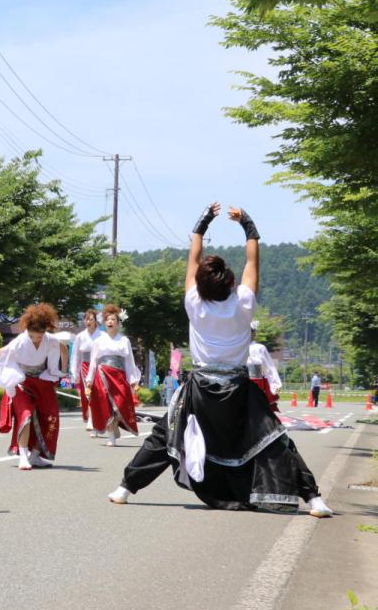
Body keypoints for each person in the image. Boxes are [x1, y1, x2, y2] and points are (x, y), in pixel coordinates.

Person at [107, 203, 332, 517]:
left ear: (200, 284)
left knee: (164, 434)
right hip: (238, 388)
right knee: (274, 438)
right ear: (230, 283)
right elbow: (252, 262)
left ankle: (125, 488)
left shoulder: (194, 303)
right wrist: (248, 225)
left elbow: (193, 258)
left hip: (200, 389)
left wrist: (203, 223)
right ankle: (313, 498)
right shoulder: (243, 303)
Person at [0, 304, 70, 471]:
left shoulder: (51, 340)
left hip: (42, 381)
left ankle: (35, 454)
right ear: (26, 330)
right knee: (25, 415)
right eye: (32, 336)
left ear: (45, 331)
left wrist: (63, 372)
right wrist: (3, 379)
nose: (35, 339)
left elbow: (64, 350)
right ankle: (23, 455)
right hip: (22, 382)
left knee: (50, 417)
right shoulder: (19, 342)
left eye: (39, 336)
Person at [84, 303, 139, 447]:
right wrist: (89, 381)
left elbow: (129, 362)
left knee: (119, 405)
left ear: (118, 323)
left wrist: (133, 381)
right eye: (107, 319)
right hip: (102, 375)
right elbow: (93, 362)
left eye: (113, 319)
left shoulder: (124, 340)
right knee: (106, 405)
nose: (110, 322)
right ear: (104, 322)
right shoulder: (98, 341)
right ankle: (111, 436)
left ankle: (115, 427)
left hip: (119, 377)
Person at [70, 309, 100, 436]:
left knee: (98, 394)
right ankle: (91, 420)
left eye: (91, 319)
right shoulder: (80, 336)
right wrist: (74, 372)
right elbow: (76, 355)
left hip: (99, 367)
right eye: (86, 319)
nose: (88, 321)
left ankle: (96, 422)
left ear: (96, 321)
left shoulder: (102, 335)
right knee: (87, 393)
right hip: (85, 367)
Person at [247, 321, 282, 412]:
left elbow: (269, 367)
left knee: (256, 407)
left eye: (249, 331)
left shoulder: (259, 348)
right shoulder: (236, 347)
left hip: (256, 382)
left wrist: (275, 383)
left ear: (254, 333)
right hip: (240, 381)